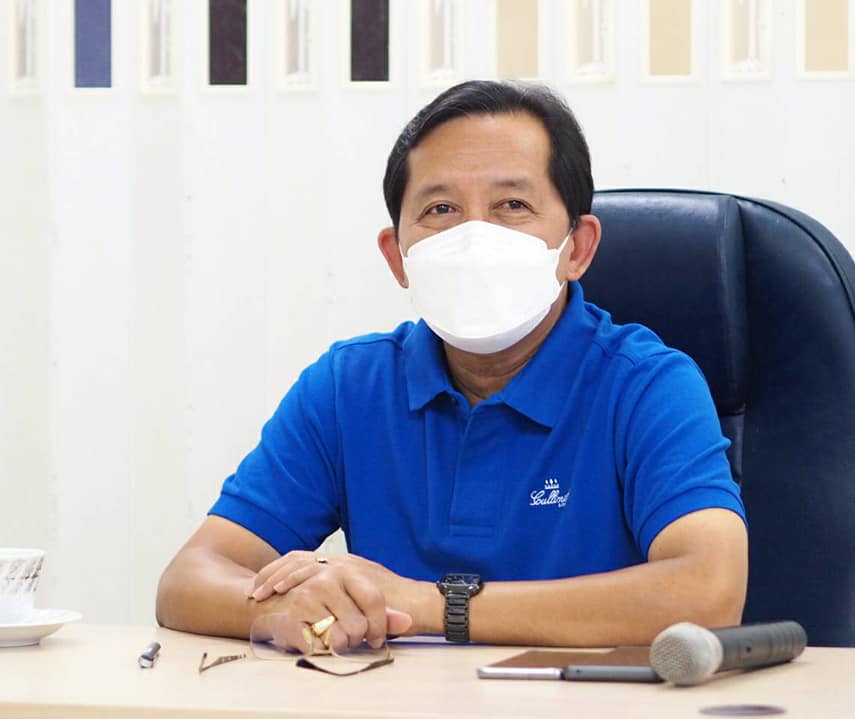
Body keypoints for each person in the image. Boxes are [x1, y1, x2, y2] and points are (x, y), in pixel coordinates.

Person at [156, 80, 747, 651]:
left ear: (579, 248)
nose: (473, 238)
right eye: (441, 208)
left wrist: (427, 605)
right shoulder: (348, 388)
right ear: (398, 257)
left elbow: (710, 592)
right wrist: (278, 608)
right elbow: (189, 579)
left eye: (512, 205)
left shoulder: (647, 385)